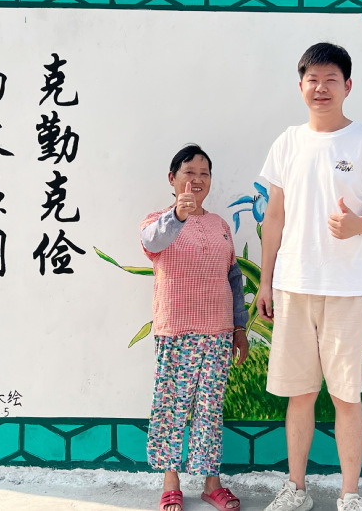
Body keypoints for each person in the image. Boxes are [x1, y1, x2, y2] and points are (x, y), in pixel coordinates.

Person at [258, 43, 362, 511]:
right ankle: (295, 489)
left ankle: (349, 494)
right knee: (300, 394)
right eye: (312, 80)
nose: (321, 88)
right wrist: (265, 282)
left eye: (330, 79)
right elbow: (274, 217)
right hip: (292, 285)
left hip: (345, 289)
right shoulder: (287, 142)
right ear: (301, 86)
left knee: (346, 396)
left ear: (347, 86)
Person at [140, 144, 250, 511]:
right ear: (173, 179)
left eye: (204, 173)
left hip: (218, 333)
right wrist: (178, 215)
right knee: (171, 407)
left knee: (210, 410)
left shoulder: (220, 225)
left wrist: (239, 328)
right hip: (177, 331)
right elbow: (152, 241)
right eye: (189, 172)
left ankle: (211, 483)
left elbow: (234, 279)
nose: (197, 179)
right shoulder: (157, 222)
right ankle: (170, 482)